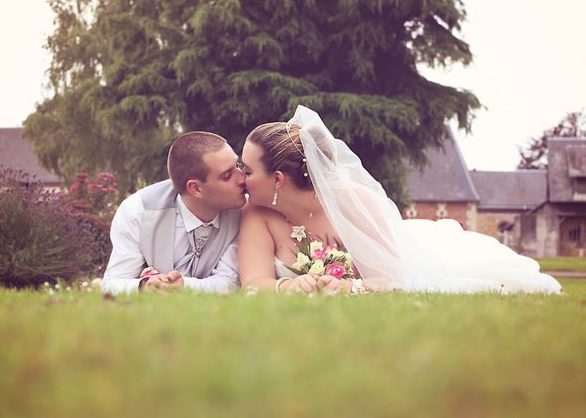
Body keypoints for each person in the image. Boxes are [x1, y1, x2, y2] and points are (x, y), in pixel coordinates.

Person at [238, 105, 562, 295]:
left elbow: (393, 278)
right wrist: (287, 287)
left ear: (278, 179)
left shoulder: (355, 202)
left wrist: (349, 288)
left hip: (415, 256)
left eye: (248, 169)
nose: (241, 177)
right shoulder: (257, 214)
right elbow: (254, 280)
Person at [102, 131, 246, 295]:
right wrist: (144, 286)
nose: (242, 179)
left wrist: (184, 286)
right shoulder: (138, 211)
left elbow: (230, 282)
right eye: (227, 175)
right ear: (196, 188)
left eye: (238, 166)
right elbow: (112, 284)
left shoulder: (245, 212)